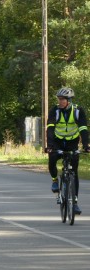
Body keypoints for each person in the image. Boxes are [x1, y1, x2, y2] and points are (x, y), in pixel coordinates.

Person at [46, 87, 90, 215]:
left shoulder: (78, 111)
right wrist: (50, 145)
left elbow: (83, 129)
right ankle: (54, 181)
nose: (59, 102)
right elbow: (50, 128)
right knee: (52, 158)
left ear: (69, 100)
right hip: (57, 142)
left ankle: (75, 203)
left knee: (74, 173)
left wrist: (86, 145)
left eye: (62, 99)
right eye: (59, 99)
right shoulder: (54, 110)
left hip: (72, 143)